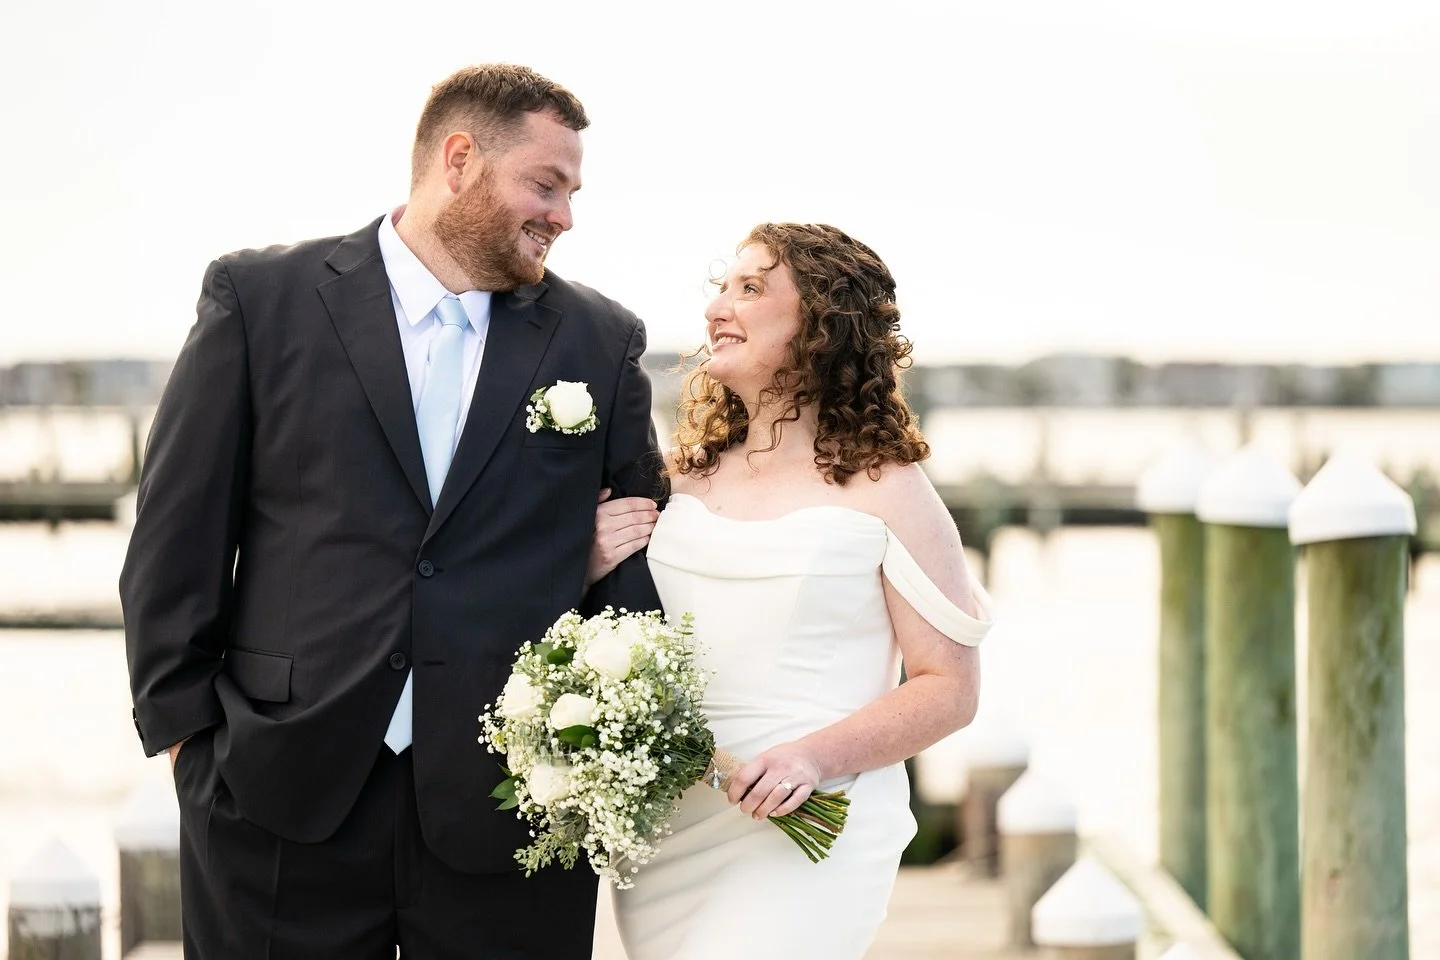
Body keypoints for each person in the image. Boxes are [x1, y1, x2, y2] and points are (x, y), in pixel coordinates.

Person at [120, 63, 663, 959]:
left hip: (517, 810)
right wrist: (188, 745)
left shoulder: (599, 340)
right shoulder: (261, 300)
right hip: (276, 795)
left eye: (572, 192)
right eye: (546, 184)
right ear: (459, 158)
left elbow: (632, 576)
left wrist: (600, 765)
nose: (564, 215)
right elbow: (176, 538)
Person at [588, 222, 994, 959]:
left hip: (813, 820)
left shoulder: (889, 488)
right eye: (721, 288)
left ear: (823, 324)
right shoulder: (675, 477)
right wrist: (588, 566)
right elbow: (616, 624)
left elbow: (949, 688)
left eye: (750, 288)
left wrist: (812, 758)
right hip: (670, 831)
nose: (717, 308)